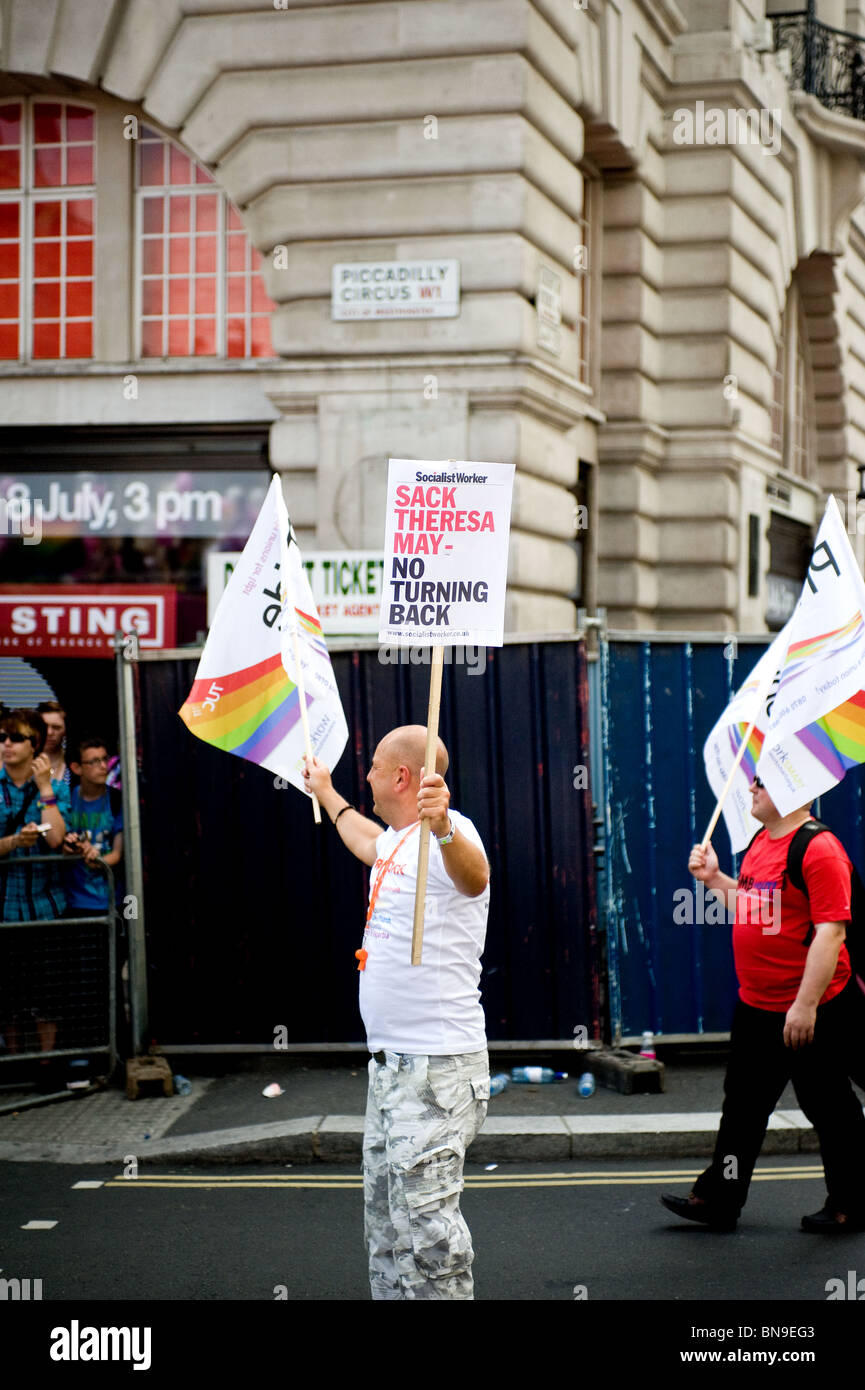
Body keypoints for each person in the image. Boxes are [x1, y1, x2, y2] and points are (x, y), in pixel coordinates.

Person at [304, 725, 491, 1299]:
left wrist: (444, 825)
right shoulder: (393, 841)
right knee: (388, 1227)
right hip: (390, 1069)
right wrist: (326, 791)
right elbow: (362, 838)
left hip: (435, 1070)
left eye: (375, 767)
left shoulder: (446, 835)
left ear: (403, 776)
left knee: (430, 1239)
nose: (369, 776)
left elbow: (475, 875)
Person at [661, 774, 865, 1233]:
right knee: (743, 1108)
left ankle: (852, 1202)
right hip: (758, 1005)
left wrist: (805, 1007)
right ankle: (718, 1200)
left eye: (762, 782)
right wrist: (713, 879)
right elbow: (758, 910)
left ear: (793, 789)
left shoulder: (820, 849)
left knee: (831, 1108)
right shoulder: (761, 841)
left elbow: (832, 931)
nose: (751, 789)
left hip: (813, 1007)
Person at [0, 708, 70, 1057]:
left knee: (47, 995)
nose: (6, 744)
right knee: (8, 998)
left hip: (45, 906)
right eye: (2, 738)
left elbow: (57, 838)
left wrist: (44, 787)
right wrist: (14, 842)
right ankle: (14, 1064)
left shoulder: (54, 786)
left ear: (35, 745)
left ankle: (47, 1064)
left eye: (15, 738)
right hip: (5, 909)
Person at [62, 736, 123, 914]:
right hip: (74, 899)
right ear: (76, 768)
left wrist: (98, 861)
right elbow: (59, 842)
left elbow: (118, 853)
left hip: (113, 899)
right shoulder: (68, 798)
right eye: (94, 761)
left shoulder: (116, 799)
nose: (103, 766)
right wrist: (71, 846)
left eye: (105, 759)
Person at [37, 701, 70, 786]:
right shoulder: (24, 761)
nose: (49, 732)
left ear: (65, 731)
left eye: (56, 727)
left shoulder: (73, 763)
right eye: (44, 726)